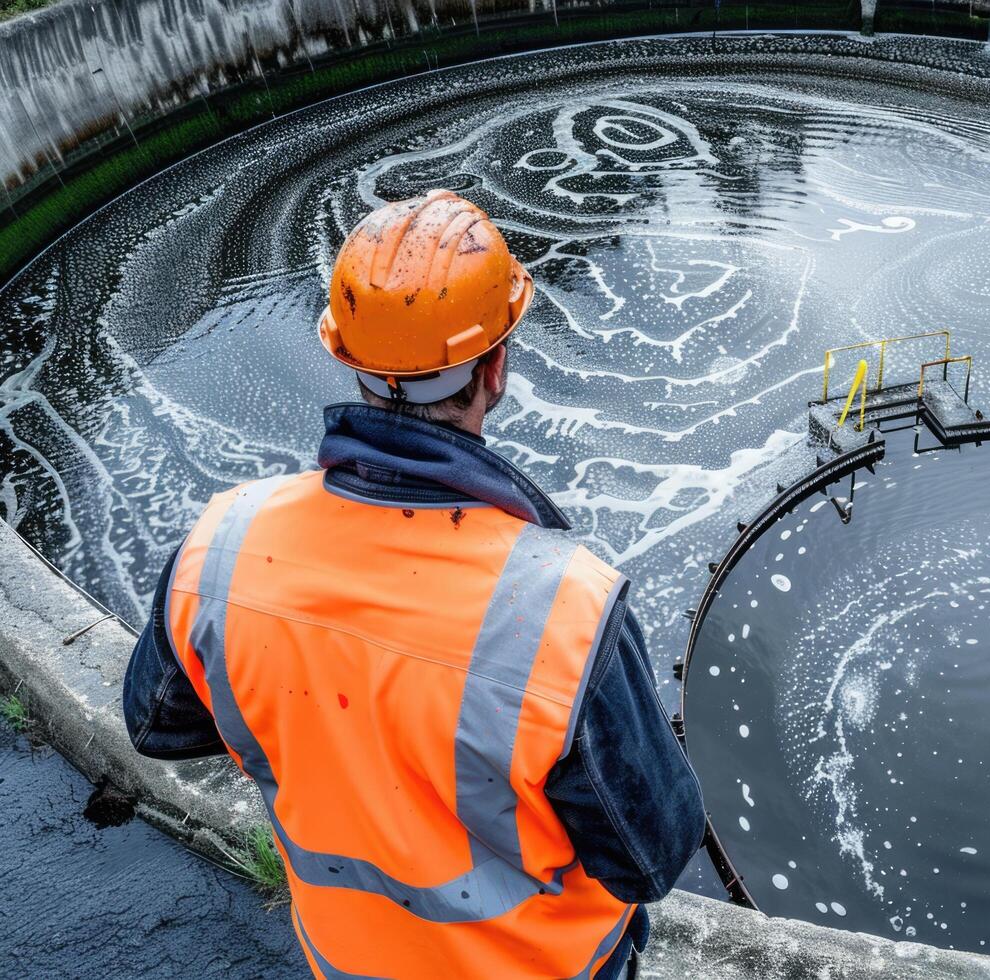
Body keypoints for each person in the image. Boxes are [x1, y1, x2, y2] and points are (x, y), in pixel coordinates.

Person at [122, 189, 705, 979]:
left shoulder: (223, 545)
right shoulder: (565, 610)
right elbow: (650, 857)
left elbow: (159, 726)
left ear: (345, 356)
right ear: (495, 367)